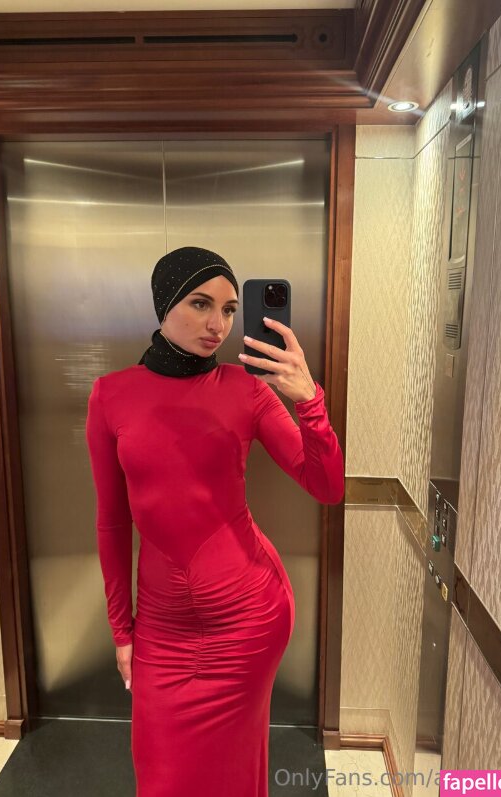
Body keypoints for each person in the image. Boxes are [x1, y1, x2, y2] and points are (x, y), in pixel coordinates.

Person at [85, 246, 345, 797]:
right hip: (162, 628)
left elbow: (326, 486)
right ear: (164, 304)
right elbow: (111, 523)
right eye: (201, 304)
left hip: (247, 618)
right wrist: (121, 630)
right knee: (162, 779)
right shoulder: (110, 396)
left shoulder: (248, 389)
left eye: (229, 310)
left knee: (232, 775)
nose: (218, 325)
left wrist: (309, 401)